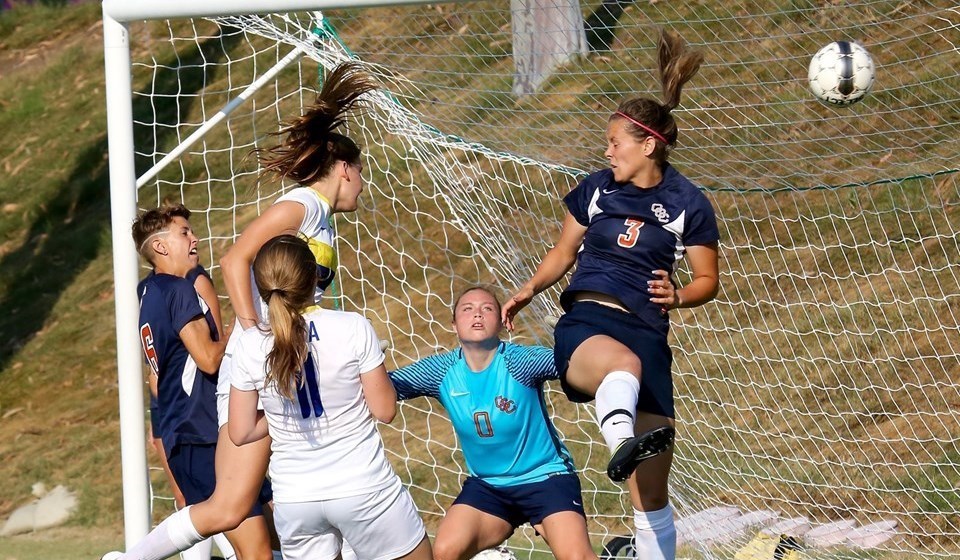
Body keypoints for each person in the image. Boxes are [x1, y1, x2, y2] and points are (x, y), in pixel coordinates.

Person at [101, 61, 380, 560]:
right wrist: (254, 334)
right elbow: (235, 260)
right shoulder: (302, 206)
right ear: (344, 168)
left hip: (289, 365)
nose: (363, 182)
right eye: (360, 171)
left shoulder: (320, 218)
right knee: (229, 508)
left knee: (293, 507)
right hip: (261, 370)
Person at [501, 29, 720, 560]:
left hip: (648, 334)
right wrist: (529, 289)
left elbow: (707, 280)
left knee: (652, 496)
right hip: (588, 325)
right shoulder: (598, 187)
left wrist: (680, 296)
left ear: (648, 146)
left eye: (615, 143)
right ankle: (620, 441)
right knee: (620, 366)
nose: (607, 152)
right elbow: (562, 253)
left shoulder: (687, 202)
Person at [229, 234, 432, 560]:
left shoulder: (249, 344)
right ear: (314, 276)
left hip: (295, 498)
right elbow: (385, 410)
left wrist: (282, 416)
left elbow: (240, 432)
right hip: (362, 485)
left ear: (262, 286)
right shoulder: (353, 326)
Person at [389, 286, 597, 560]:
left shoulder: (518, 361)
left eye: (487, 308)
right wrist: (366, 358)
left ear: (502, 322)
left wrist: (576, 343)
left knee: (576, 557)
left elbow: (576, 368)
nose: (477, 314)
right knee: (446, 551)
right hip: (488, 487)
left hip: (545, 478)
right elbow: (386, 388)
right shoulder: (441, 371)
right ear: (454, 325)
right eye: (467, 309)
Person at [113, 204, 261, 560]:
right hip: (201, 434)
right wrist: (242, 331)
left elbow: (159, 377)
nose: (195, 238)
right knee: (255, 551)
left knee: (281, 535)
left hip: (188, 431)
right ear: (160, 246)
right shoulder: (179, 290)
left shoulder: (149, 290)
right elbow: (208, 359)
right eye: (184, 233)